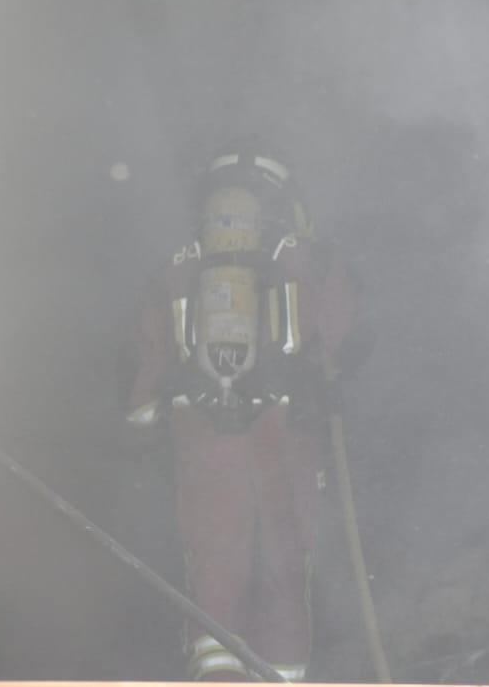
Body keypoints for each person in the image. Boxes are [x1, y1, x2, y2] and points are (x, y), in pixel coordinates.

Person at [122, 139, 367, 681]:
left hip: (200, 422)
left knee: (213, 553)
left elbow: (151, 350)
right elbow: (340, 330)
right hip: (285, 424)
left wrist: (142, 421)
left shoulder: (179, 262)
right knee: (285, 554)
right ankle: (282, 672)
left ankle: (214, 666)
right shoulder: (305, 253)